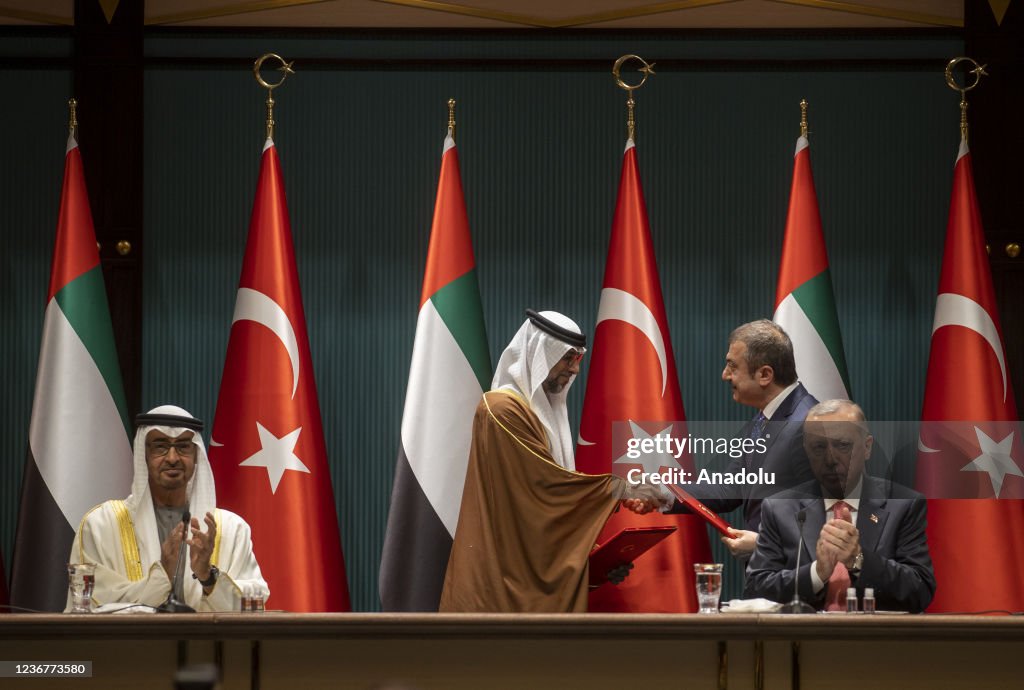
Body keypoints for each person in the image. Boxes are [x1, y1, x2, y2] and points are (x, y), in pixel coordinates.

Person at [439, 310, 661, 613]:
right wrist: (620, 488)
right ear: (538, 352)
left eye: (578, 360)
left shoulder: (542, 413)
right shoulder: (501, 409)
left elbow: (538, 516)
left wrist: (592, 560)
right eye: (567, 358)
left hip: (523, 578)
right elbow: (543, 488)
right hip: (496, 585)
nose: (574, 370)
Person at [634, 320, 817, 559]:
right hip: (767, 581)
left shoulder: (811, 424)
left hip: (797, 586)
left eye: (732, 366)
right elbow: (728, 487)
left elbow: (832, 515)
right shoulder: (765, 418)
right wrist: (661, 491)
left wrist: (766, 544)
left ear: (764, 374)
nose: (724, 375)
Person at [66, 405, 268, 612]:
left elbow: (254, 606)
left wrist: (208, 577)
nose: (172, 458)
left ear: (196, 454)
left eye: (183, 446)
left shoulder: (231, 529)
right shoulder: (101, 524)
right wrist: (161, 575)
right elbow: (90, 605)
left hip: (207, 644)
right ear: (144, 455)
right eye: (160, 446)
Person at [744, 400, 935, 612]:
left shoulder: (903, 505)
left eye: (842, 445)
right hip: (803, 640)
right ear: (806, 452)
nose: (831, 459)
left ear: (867, 448)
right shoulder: (779, 508)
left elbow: (920, 591)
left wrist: (859, 560)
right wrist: (817, 573)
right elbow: (755, 589)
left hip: (876, 640)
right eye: (819, 447)